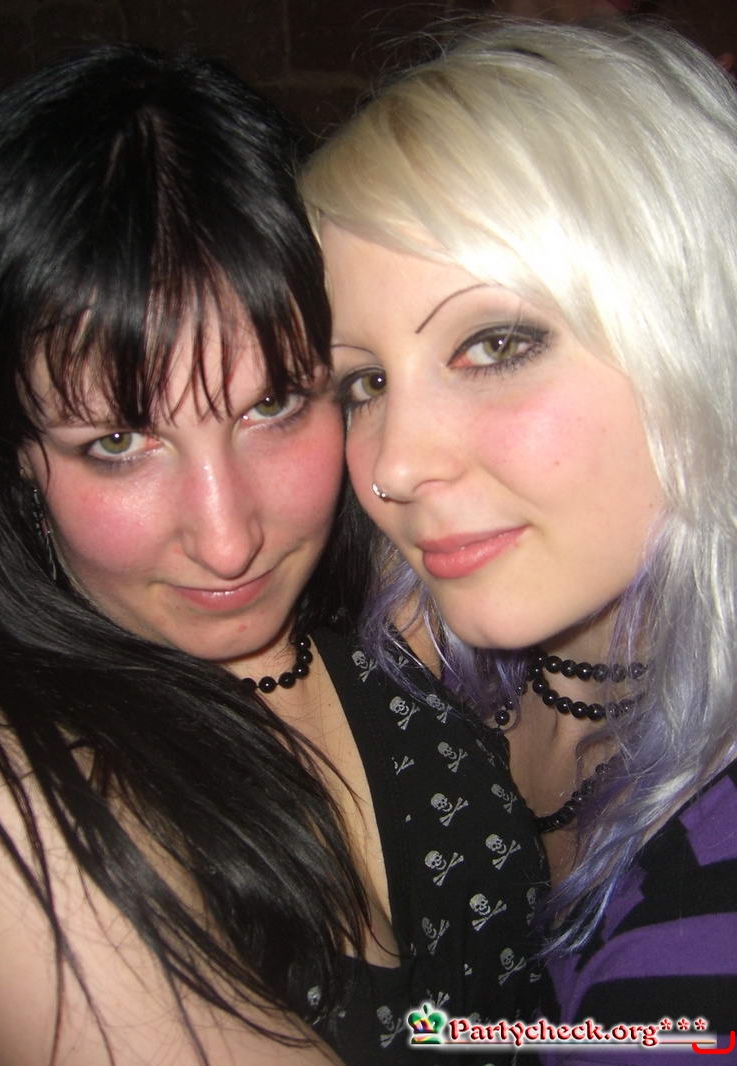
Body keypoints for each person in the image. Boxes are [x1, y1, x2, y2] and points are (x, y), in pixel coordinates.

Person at [0, 43, 546, 1066]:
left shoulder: (419, 620)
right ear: (14, 459)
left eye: (274, 405)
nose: (229, 540)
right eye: (118, 443)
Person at [301, 18, 737, 1061]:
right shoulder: (414, 645)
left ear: (694, 330)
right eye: (363, 382)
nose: (394, 466)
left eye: (494, 344)